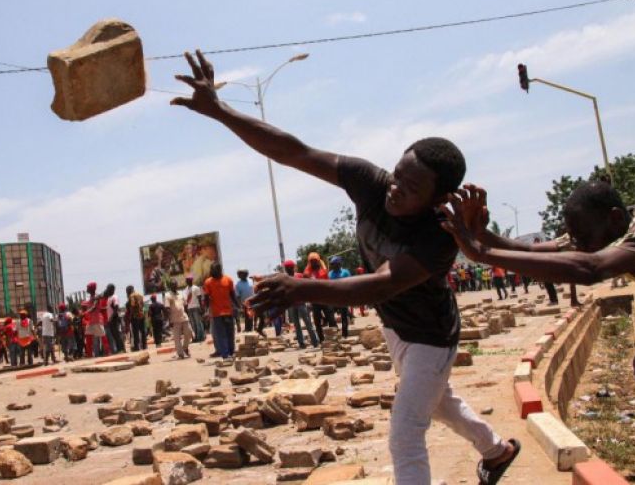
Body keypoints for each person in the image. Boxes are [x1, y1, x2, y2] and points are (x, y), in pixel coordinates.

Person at [172, 50, 518, 484]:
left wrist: (299, 287)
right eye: (397, 175)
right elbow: (292, 151)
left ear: (435, 199)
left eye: (410, 189)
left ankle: (494, 451)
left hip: (431, 336)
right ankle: (498, 451)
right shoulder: (369, 182)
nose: (395, 190)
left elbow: (378, 287)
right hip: (398, 330)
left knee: (406, 431)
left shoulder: (437, 237)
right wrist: (220, 111)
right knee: (440, 401)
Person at [442, 181, 635, 484]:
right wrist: (481, 234)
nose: (578, 245)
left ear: (614, 219)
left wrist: (481, 252)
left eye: (583, 237)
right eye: (574, 238)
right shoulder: (599, 236)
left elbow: (591, 268)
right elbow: (530, 251)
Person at [203, 262, 238, 359]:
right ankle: (225, 355)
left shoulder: (228, 280)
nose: (213, 273)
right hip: (216, 314)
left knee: (230, 333)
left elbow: (233, 295)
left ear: (220, 270)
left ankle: (231, 352)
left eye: (215, 271)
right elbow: (206, 298)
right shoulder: (208, 282)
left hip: (228, 312)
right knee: (221, 335)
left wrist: (237, 306)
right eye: (212, 271)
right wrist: (206, 311)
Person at [284, 260, 319, 349]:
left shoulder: (299, 276)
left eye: (289, 268)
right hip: (292, 305)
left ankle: (315, 341)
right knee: (296, 325)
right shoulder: (285, 278)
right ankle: (301, 343)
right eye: (286, 268)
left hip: (301, 304)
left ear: (293, 268)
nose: (288, 270)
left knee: (308, 323)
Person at [303, 252, 331, 342]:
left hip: (325, 298)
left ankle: (334, 337)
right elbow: (305, 283)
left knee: (331, 318)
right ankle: (322, 340)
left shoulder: (323, 271)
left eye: (315, 261)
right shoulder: (308, 273)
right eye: (312, 261)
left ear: (318, 261)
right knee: (317, 322)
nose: (314, 263)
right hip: (315, 301)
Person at [166, 281, 192, 358]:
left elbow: (185, 305)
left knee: (189, 332)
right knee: (177, 338)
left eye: (176, 285)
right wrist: (169, 320)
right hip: (174, 319)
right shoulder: (168, 295)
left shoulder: (181, 294)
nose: (175, 286)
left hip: (184, 317)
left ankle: (185, 347)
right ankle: (180, 353)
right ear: (170, 286)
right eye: (173, 285)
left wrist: (187, 314)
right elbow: (167, 309)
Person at [328, 256, 352, 338]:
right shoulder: (330, 274)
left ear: (339, 264)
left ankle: (344, 335)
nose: (333, 266)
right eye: (332, 264)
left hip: (343, 298)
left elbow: (351, 283)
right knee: (330, 315)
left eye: (334, 264)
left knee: (344, 317)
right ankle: (336, 330)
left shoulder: (345, 272)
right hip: (333, 299)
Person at [182, 276, 205, 342]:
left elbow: (199, 298)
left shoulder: (196, 288)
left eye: (188, 280)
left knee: (198, 323)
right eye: (186, 280)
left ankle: (201, 337)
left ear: (191, 280)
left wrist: (201, 307)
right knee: (192, 324)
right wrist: (186, 308)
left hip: (196, 307)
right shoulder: (185, 289)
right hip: (189, 308)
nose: (186, 281)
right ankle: (196, 337)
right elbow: (185, 300)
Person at [104, 284, 124, 354]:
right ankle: (120, 349)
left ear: (112, 289)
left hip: (114, 318)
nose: (106, 290)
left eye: (108, 288)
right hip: (111, 319)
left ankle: (121, 349)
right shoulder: (109, 297)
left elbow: (116, 308)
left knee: (117, 334)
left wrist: (111, 317)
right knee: (114, 335)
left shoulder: (114, 297)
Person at [126, 286, 147, 351]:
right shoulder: (140, 295)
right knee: (143, 331)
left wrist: (130, 315)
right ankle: (144, 346)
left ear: (129, 290)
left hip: (135, 316)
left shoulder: (131, 296)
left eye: (127, 291)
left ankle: (137, 347)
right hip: (142, 315)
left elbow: (132, 305)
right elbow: (143, 305)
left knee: (135, 332)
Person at [234, 269, 254, 336]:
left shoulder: (251, 281)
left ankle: (250, 329)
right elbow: (238, 296)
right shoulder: (238, 284)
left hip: (252, 301)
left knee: (251, 316)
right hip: (244, 303)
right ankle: (248, 329)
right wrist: (240, 305)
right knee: (247, 316)